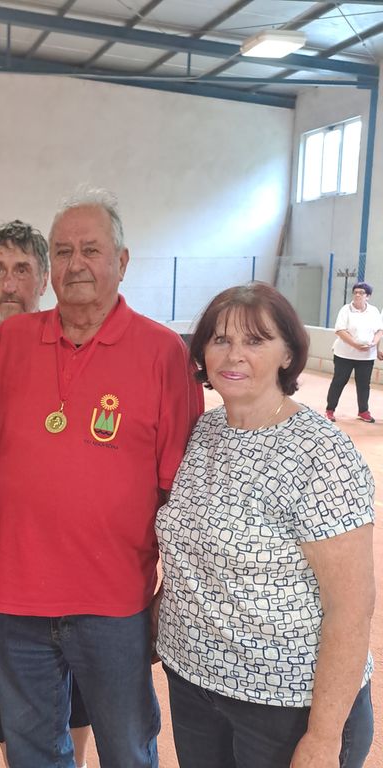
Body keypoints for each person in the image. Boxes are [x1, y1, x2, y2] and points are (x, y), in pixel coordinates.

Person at [0, 186, 203, 768]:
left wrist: (172, 594)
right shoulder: (12, 340)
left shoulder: (163, 353)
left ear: (122, 261)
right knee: (33, 753)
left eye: (91, 250)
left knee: (127, 750)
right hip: (16, 596)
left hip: (114, 601)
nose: (76, 264)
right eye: (63, 251)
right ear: (50, 266)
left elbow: (181, 495)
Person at [156, 282, 375, 768]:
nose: (234, 355)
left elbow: (351, 608)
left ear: (288, 354)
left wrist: (323, 738)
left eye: (255, 340)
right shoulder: (205, 431)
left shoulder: (320, 453)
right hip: (194, 684)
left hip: (287, 705)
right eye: (220, 339)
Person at [0, 220, 91, 768]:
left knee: (78, 682)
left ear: (45, 279)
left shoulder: (73, 341)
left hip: (74, 549)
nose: (9, 284)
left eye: (22, 270)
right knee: (11, 685)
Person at [325, 281, 383, 423]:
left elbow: (379, 330)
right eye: (355, 292)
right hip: (344, 355)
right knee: (339, 382)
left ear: (368, 296)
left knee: (364, 385)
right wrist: (355, 345)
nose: (357, 295)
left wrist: (375, 346)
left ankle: (363, 411)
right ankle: (330, 410)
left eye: (361, 293)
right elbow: (340, 330)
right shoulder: (345, 310)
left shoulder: (374, 311)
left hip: (366, 357)